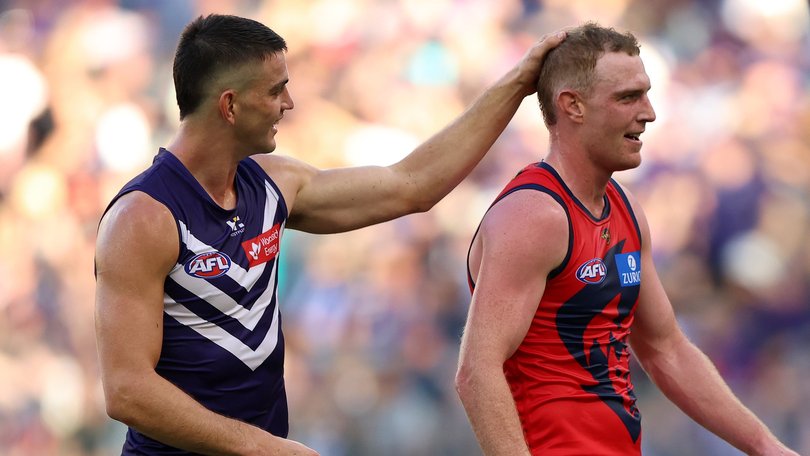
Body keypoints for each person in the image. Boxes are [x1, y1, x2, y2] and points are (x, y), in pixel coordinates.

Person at [93, 13, 567, 456]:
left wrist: (518, 82)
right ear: (230, 105)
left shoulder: (274, 184)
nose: (289, 103)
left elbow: (411, 185)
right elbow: (127, 391)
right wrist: (264, 448)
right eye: (276, 90)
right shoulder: (142, 218)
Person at [455, 23, 799, 456]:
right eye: (627, 97)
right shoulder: (534, 215)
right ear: (572, 106)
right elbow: (477, 371)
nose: (650, 112)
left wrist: (767, 447)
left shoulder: (625, 208)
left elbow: (665, 349)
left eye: (646, 93)